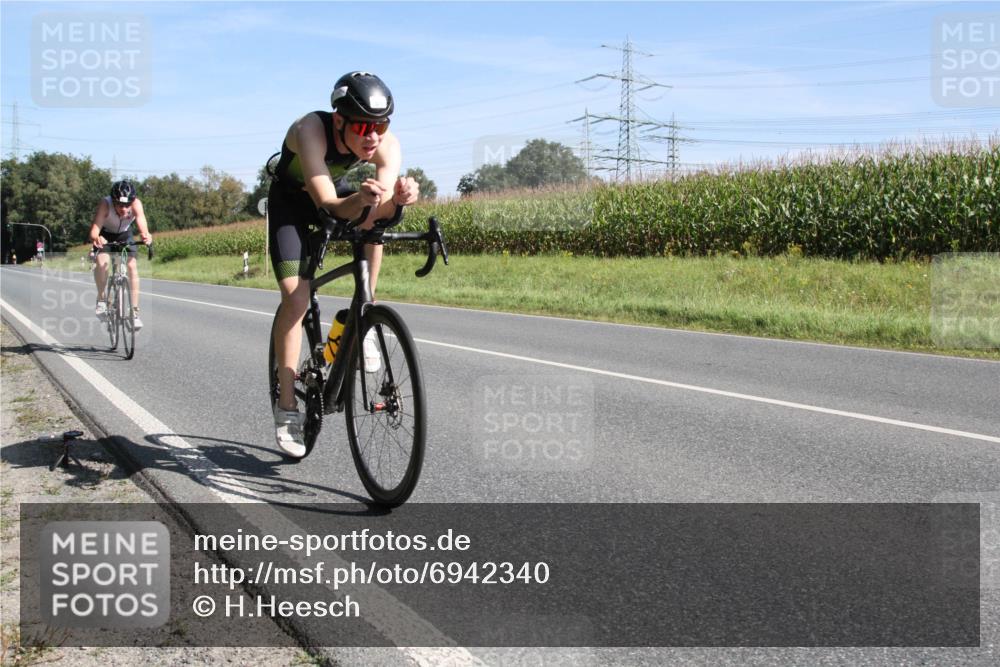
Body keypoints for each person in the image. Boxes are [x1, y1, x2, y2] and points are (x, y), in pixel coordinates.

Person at [268, 71, 419, 458]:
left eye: (381, 126)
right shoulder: (310, 129)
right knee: (297, 300)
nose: (374, 137)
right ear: (339, 121)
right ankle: (287, 408)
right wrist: (366, 201)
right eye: (365, 127)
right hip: (295, 205)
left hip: (338, 197)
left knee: (377, 224)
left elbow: (378, 212)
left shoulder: (386, 145)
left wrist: (398, 200)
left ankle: (362, 316)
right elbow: (331, 206)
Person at [90, 180, 153, 330]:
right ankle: (101, 299)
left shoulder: (136, 204)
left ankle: (134, 312)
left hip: (124, 234)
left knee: (131, 265)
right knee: (102, 263)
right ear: (113, 201)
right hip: (105, 235)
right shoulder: (105, 204)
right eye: (120, 205)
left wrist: (146, 235)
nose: (124, 209)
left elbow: (142, 223)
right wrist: (96, 238)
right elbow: (94, 229)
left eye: (127, 205)